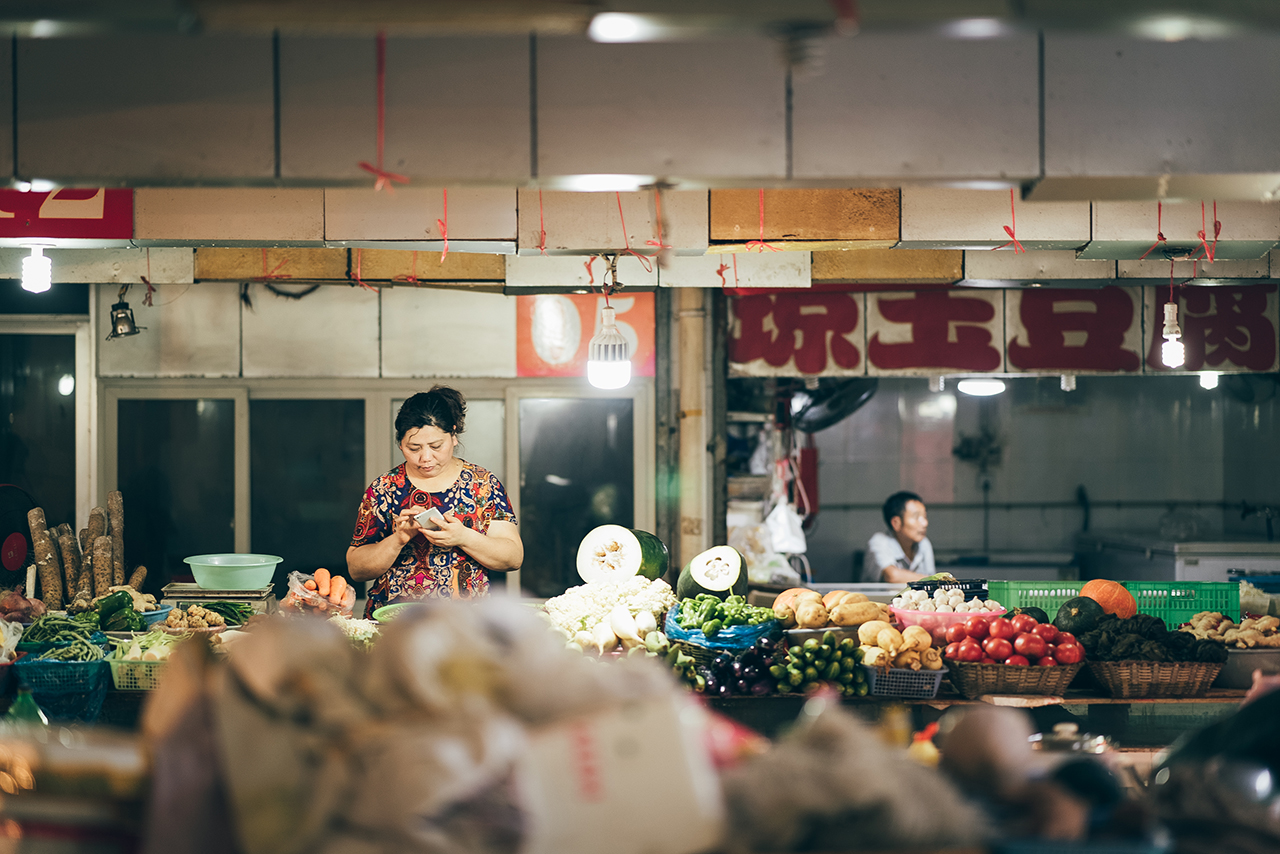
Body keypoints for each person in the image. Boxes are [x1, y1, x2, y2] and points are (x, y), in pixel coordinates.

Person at [347, 386, 523, 617]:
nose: (426, 458)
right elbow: (356, 568)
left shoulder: (483, 484)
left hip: (467, 624)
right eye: (414, 448)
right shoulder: (385, 488)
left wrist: (463, 537)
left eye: (436, 446)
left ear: (453, 435)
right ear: (400, 443)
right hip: (393, 624)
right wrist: (398, 539)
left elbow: (512, 557)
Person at [862, 491, 935, 583]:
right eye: (916, 517)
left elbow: (932, 582)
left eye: (924, 516)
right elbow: (892, 576)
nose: (925, 523)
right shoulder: (878, 542)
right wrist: (933, 579)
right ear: (896, 523)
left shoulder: (924, 543)